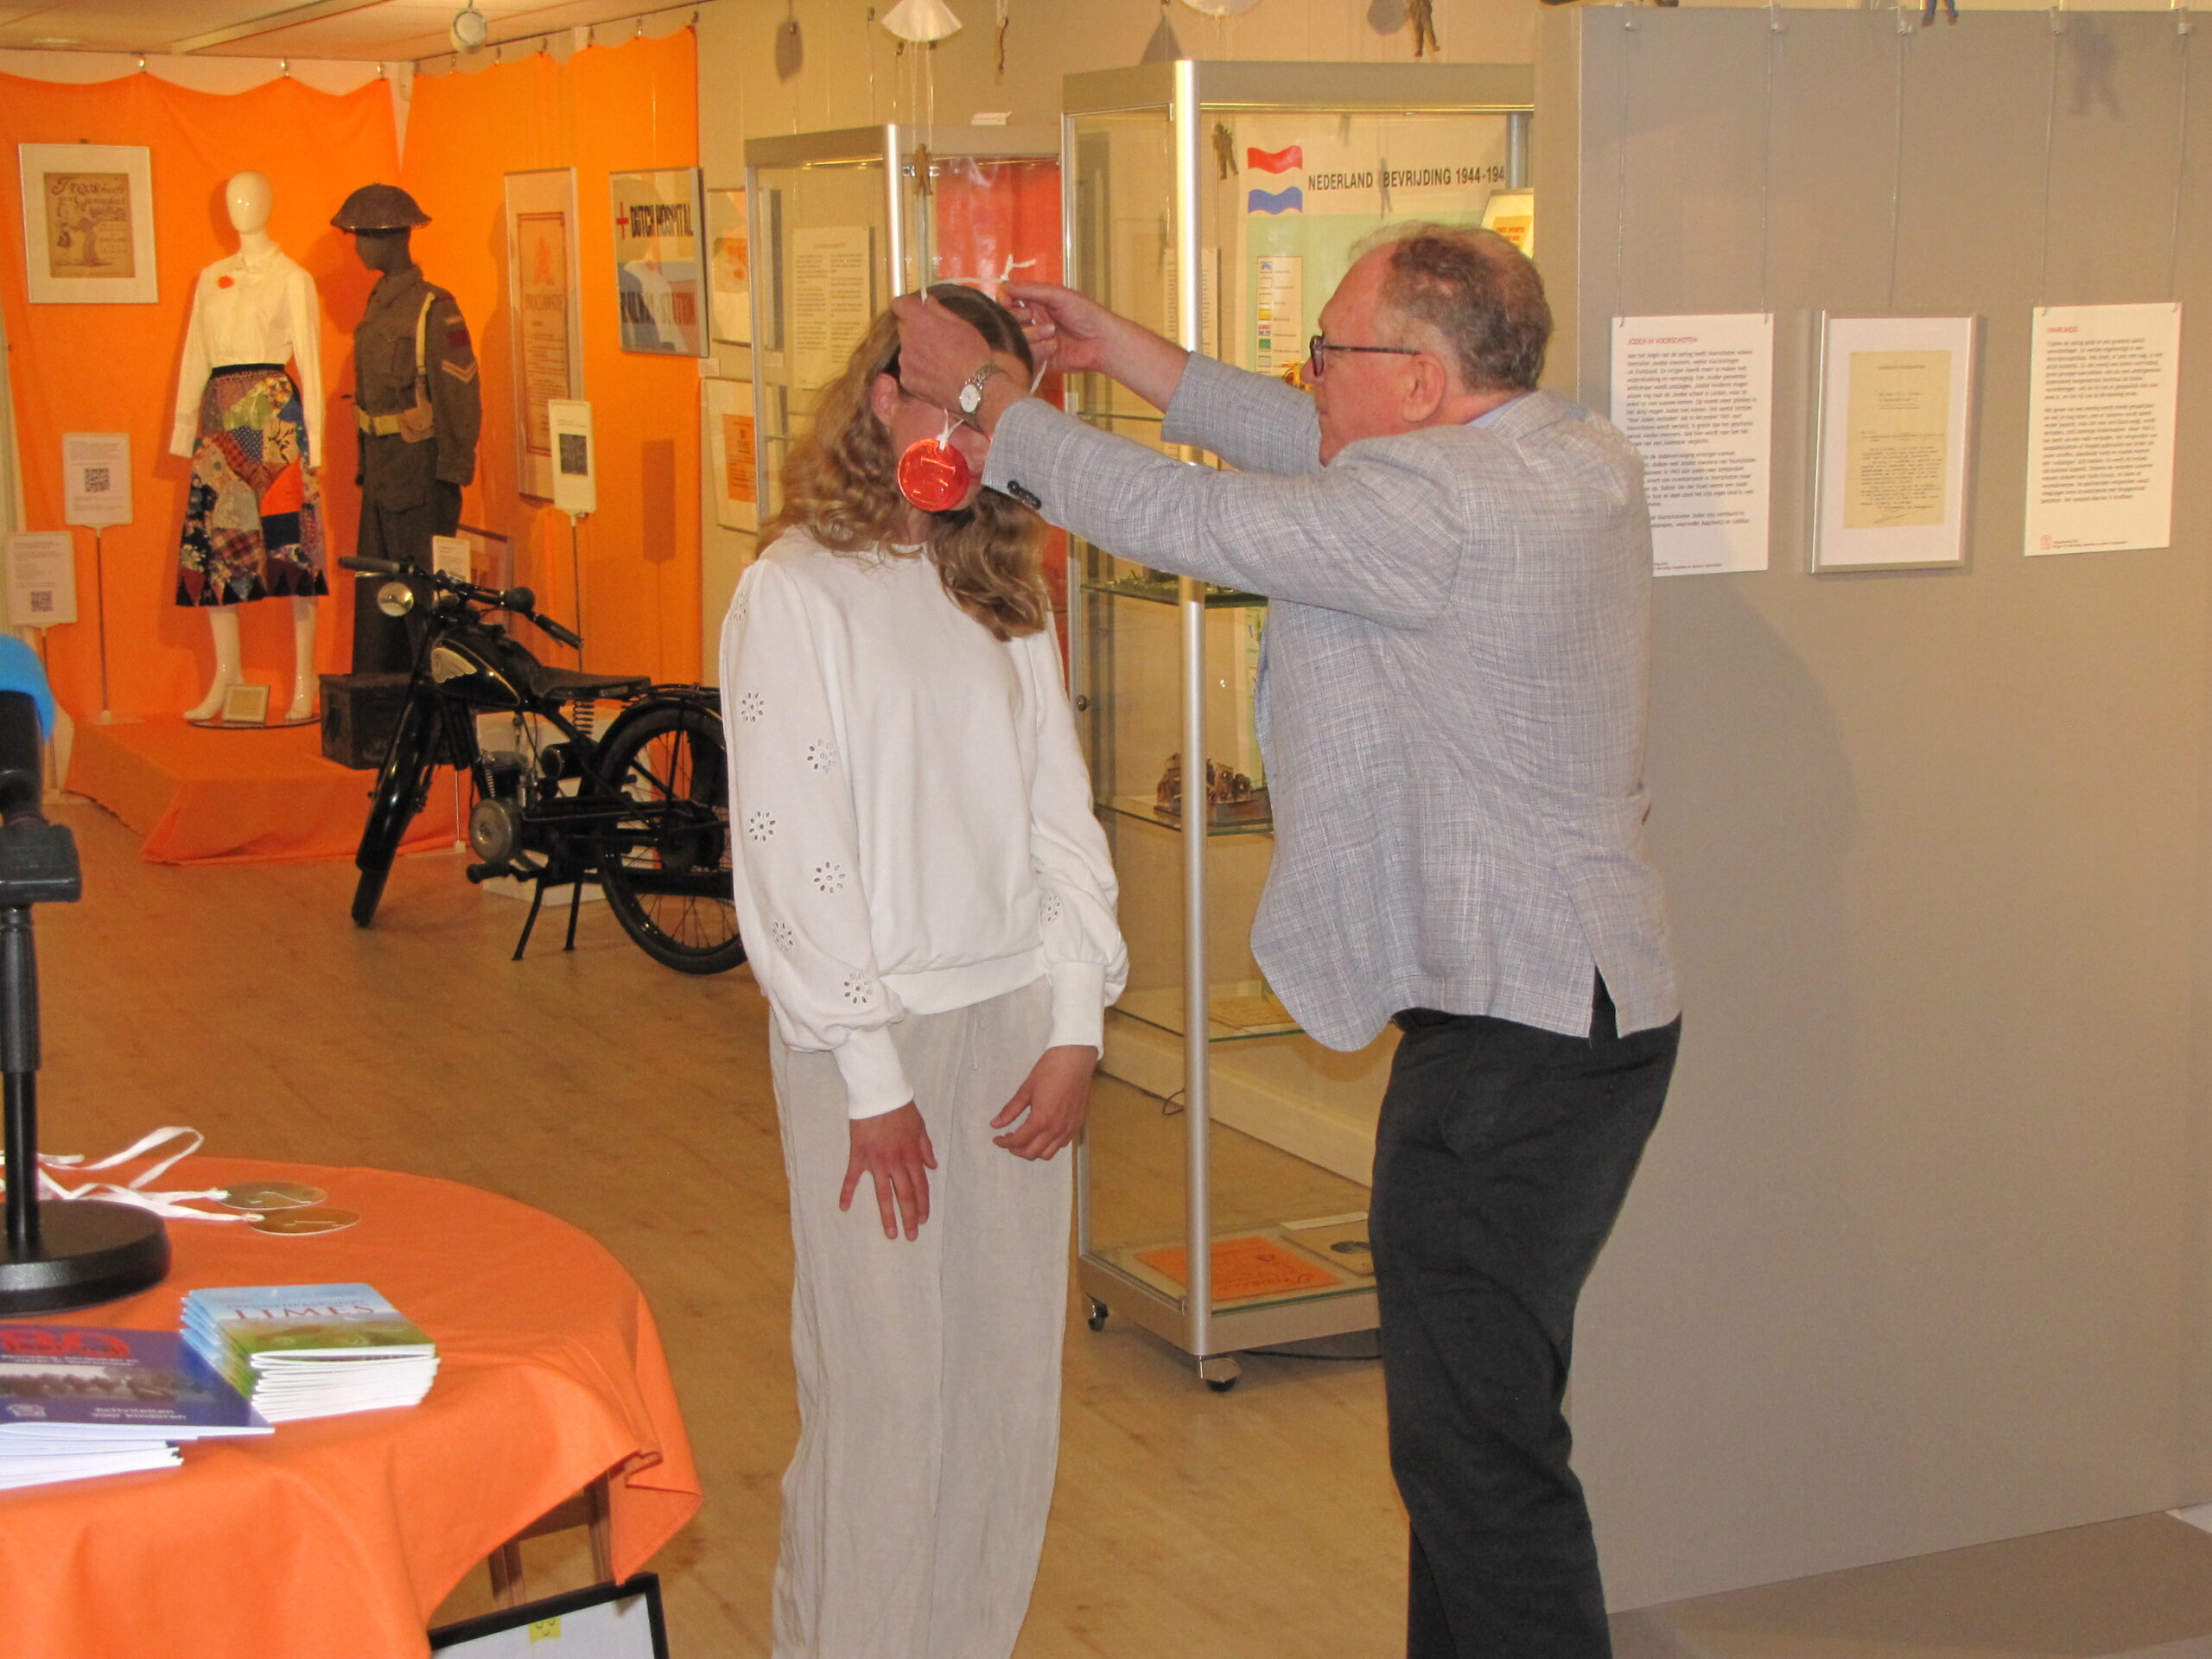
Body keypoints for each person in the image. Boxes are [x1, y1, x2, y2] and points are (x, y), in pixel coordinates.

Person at [892, 226, 1681, 1659]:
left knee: (1476, 1459)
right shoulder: (1567, 453)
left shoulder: (1434, 511)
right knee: (1475, 1430)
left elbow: (1197, 525)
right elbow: (1311, 447)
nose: (1306, 375)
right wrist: (1118, 350)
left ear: (1429, 382)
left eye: (1330, 353)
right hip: (1574, 1024)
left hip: (1514, 1054)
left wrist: (994, 413)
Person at [719, 283, 1128, 1659]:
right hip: (871, 1045)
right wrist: (869, 1074)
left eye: (982, 404)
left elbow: (1056, 815)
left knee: (1008, 1395)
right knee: (886, 1402)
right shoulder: (792, 590)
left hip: (1015, 1026)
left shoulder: (996, 588)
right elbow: (793, 845)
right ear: (877, 392)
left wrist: (1076, 1022)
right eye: (933, 392)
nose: (949, 426)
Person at [329, 183, 480, 673]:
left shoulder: (434, 308)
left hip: (420, 476)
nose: (357, 245)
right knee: (380, 595)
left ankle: (439, 710)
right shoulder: (380, 304)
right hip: (381, 472)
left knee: (422, 596)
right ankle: (386, 702)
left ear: (391, 238)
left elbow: (459, 392)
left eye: (363, 235)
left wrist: (454, 470)